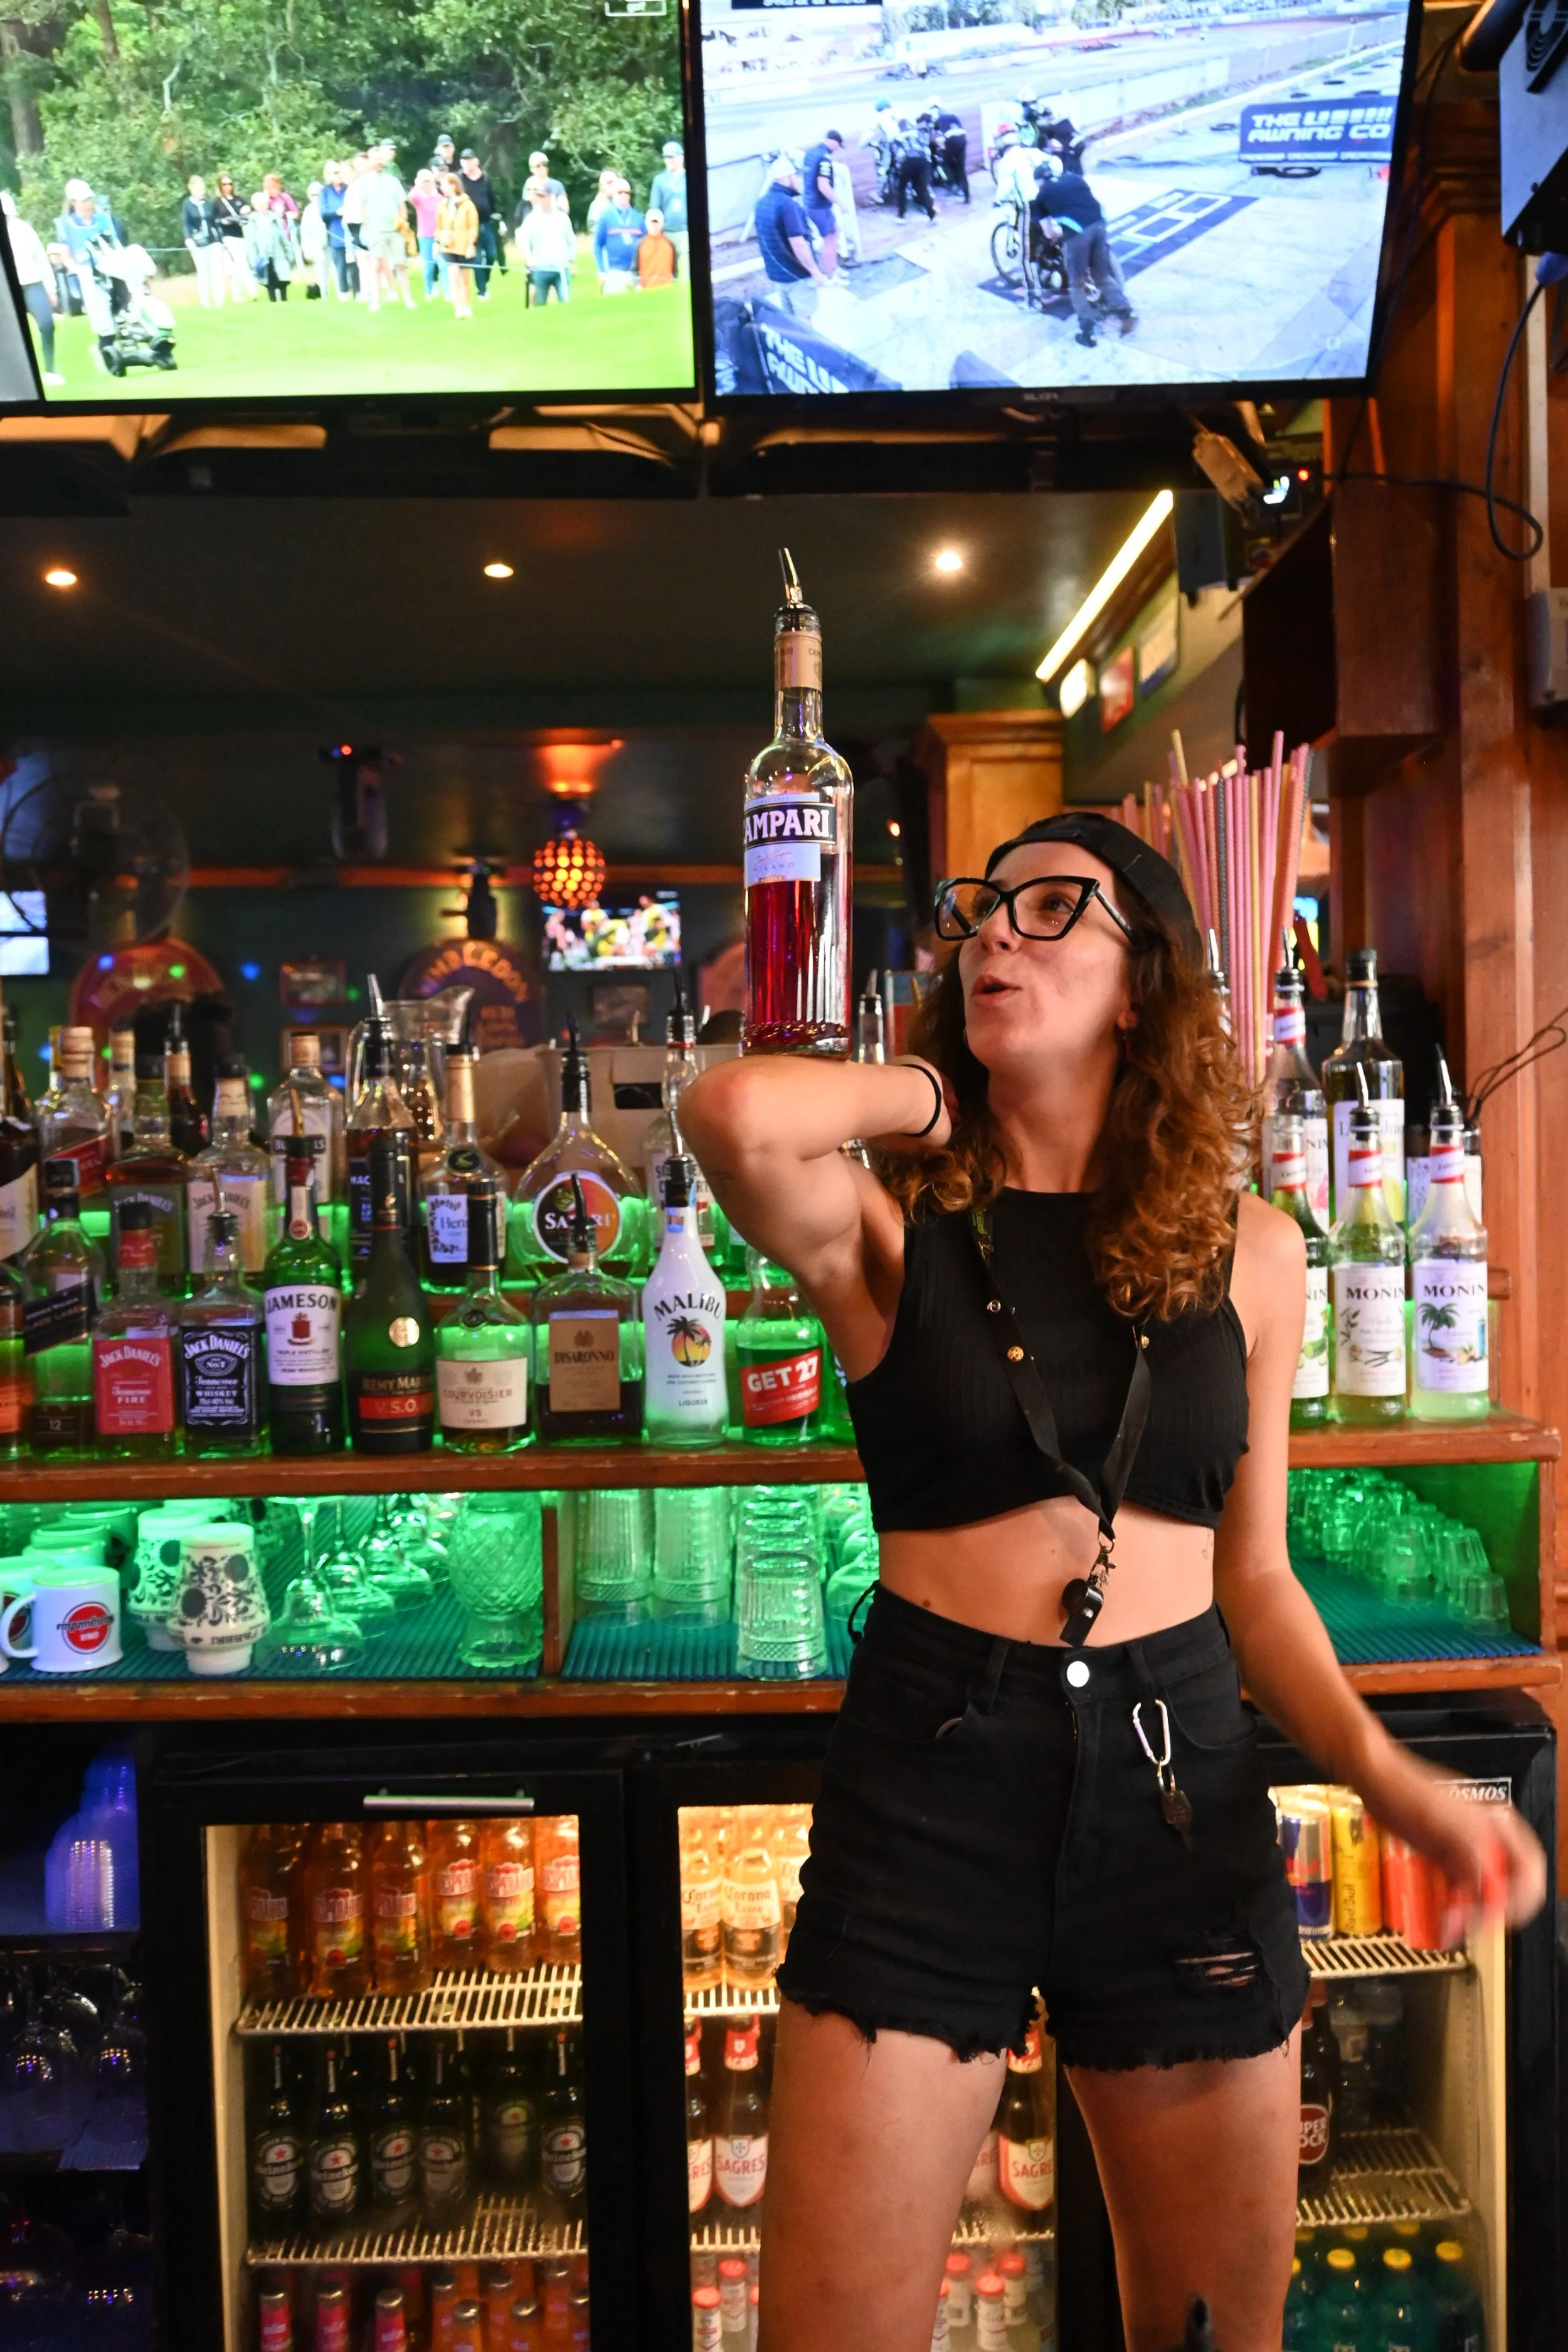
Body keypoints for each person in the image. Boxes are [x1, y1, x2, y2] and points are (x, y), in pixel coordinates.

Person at [679, 817, 1547, 2352]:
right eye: (977, 915)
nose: (993, 936)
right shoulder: (890, 1222)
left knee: (1213, 2332)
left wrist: (1384, 1769)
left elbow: (1257, 1577)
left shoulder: (1254, 1251)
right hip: (931, 1782)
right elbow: (735, 1110)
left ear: (1143, 982)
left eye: (1050, 908)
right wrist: (952, 1080)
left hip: (1177, 1787)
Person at [1032, 154, 1134, 347]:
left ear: (1039, 182)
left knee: (1076, 283)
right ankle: (1126, 312)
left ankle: (1087, 332)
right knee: (1101, 275)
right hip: (1100, 223)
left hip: (1079, 233)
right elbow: (1084, 201)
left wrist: (1059, 234)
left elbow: (1048, 232)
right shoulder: (1073, 177)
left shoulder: (1041, 197)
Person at [751, 151, 827, 319]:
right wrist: (815, 272)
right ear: (786, 178)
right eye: (797, 175)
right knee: (805, 324)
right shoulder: (788, 206)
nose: (800, 179)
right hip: (797, 275)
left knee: (791, 321)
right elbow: (799, 244)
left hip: (778, 274)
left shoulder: (762, 203)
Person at [3, 192, 63, 383]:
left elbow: (41, 260)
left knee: (46, 324)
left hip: (33, 284)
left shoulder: (24, 230)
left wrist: (51, 289)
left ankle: (51, 370)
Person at [357, 147, 414, 312]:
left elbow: (401, 205)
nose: (379, 162)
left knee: (401, 265)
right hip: (376, 231)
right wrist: (369, 226)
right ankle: (376, 301)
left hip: (395, 230)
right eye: (375, 159)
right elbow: (363, 206)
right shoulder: (364, 182)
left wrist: (403, 223)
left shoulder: (393, 181)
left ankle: (408, 299)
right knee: (377, 265)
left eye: (381, 159)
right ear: (370, 160)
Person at [518, 184, 575, 304]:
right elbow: (523, 240)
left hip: (561, 268)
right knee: (540, 305)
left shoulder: (562, 218)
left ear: (551, 197)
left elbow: (571, 241)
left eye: (544, 196)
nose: (542, 199)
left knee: (566, 303)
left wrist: (572, 261)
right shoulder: (531, 219)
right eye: (539, 196)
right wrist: (529, 257)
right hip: (540, 268)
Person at [245, 176, 298, 302]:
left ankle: (285, 302)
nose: (262, 206)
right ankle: (273, 302)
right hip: (264, 258)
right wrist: (254, 261)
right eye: (259, 204)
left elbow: (284, 239)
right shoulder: (252, 222)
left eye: (264, 203)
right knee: (270, 283)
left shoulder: (275, 219)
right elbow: (251, 244)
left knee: (283, 281)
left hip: (278, 255)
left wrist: (290, 255)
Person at [436, 171, 478, 319]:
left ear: (453, 186)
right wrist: (437, 241)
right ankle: (458, 307)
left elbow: (473, 225)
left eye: (444, 185)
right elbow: (439, 225)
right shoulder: (442, 205)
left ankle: (467, 305)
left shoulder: (468, 205)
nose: (442, 189)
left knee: (465, 278)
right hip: (448, 245)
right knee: (453, 277)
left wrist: (471, 244)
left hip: (464, 246)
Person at [592, 178, 644, 295]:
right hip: (614, 272)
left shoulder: (638, 217)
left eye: (627, 193)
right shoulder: (606, 217)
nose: (624, 195)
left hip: (636, 273)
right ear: (613, 194)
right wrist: (601, 270)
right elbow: (598, 245)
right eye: (620, 192)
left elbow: (646, 244)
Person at [800, 133, 842, 279]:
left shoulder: (810, 153)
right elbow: (823, 186)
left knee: (834, 232)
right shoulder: (825, 158)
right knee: (830, 238)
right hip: (820, 205)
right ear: (834, 142)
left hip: (810, 202)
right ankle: (831, 274)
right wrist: (840, 203)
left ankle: (833, 267)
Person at [459, 151, 499, 297]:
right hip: (469, 225)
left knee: (491, 255)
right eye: (464, 160)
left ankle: (485, 280)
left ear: (476, 161)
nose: (467, 162)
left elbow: (492, 200)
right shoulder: (459, 179)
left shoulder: (485, 178)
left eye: (470, 160)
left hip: (486, 222)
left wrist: (498, 219)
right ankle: (482, 291)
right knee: (476, 259)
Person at [181, 174, 225, 305]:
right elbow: (186, 223)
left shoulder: (209, 204)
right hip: (198, 243)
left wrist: (221, 239)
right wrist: (188, 239)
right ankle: (206, 302)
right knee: (203, 272)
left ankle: (219, 302)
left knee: (217, 271)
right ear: (191, 189)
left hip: (213, 241)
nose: (202, 192)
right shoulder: (187, 205)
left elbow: (216, 221)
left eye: (203, 189)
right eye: (199, 189)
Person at [648, 139, 689, 274]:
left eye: (672, 157)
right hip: (666, 232)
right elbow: (655, 208)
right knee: (667, 270)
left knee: (688, 269)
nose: (669, 160)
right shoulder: (660, 180)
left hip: (685, 231)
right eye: (666, 157)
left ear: (681, 157)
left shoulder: (689, 177)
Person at [211, 173, 253, 300]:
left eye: (230, 184)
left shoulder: (238, 199)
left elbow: (248, 210)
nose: (228, 187)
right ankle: (252, 290)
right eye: (224, 184)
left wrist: (247, 209)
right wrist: (223, 221)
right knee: (241, 261)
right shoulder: (218, 202)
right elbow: (214, 219)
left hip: (241, 233)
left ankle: (237, 294)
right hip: (228, 235)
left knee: (238, 265)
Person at [891, 114, 935, 222]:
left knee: (902, 188)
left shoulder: (898, 137)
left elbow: (898, 155)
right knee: (923, 187)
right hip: (923, 160)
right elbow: (926, 149)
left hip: (909, 160)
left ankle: (901, 216)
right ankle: (931, 214)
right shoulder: (918, 133)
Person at [410, 167, 443, 299]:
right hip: (425, 235)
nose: (427, 184)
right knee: (428, 266)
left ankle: (447, 293)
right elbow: (411, 196)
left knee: (443, 265)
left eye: (429, 181)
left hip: (439, 235)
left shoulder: (439, 198)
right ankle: (428, 292)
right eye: (424, 182)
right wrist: (419, 184)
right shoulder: (419, 198)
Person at [317, 161, 350, 298]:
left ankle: (360, 291)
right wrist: (337, 211)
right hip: (336, 232)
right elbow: (324, 212)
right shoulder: (324, 192)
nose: (339, 175)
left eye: (340, 172)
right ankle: (344, 293)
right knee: (340, 265)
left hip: (351, 230)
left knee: (355, 265)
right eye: (336, 173)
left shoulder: (349, 188)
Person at [930, 104, 969, 201]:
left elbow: (934, 135)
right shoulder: (953, 116)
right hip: (963, 138)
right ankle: (967, 195)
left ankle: (952, 185)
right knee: (961, 168)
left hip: (952, 140)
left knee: (946, 163)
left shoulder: (938, 119)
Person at [299, 181, 327, 299]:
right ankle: (323, 293)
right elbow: (305, 231)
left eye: (318, 194)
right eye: (313, 195)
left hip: (329, 243)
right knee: (320, 269)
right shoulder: (308, 210)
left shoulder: (326, 207)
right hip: (316, 244)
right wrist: (306, 248)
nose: (316, 197)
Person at [637, 208, 675, 289]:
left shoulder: (669, 244)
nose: (654, 226)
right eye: (652, 223)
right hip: (646, 290)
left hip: (666, 289)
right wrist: (638, 285)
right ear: (647, 224)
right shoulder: (641, 244)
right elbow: (635, 268)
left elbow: (674, 269)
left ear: (662, 224)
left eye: (657, 223)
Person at [585, 167, 621, 233]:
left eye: (616, 182)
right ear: (602, 186)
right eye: (610, 182)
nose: (614, 185)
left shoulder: (617, 204)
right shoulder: (597, 208)